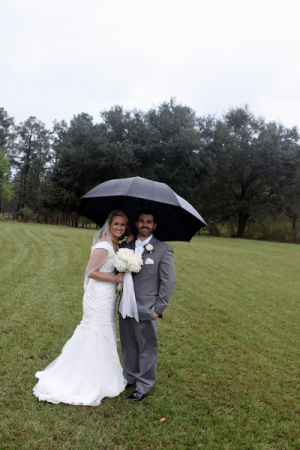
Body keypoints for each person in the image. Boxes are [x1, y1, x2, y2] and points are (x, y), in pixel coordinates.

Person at [33, 210, 129, 406]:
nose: (119, 228)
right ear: (109, 224)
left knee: (104, 331)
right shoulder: (103, 245)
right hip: (99, 295)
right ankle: (84, 379)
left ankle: (103, 375)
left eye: (123, 225)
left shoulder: (115, 244)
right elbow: (90, 272)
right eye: (116, 224)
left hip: (108, 296)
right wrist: (115, 278)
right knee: (94, 330)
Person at [119, 208, 176, 401]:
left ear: (154, 226)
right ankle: (131, 377)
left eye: (149, 222)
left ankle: (144, 385)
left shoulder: (163, 249)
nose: (145, 224)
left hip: (146, 307)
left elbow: (168, 282)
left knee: (147, 347)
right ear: (136, 224)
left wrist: (158, 309)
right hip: (125, 305)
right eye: (141, 221)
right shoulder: (126, 245)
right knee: (128, 344)